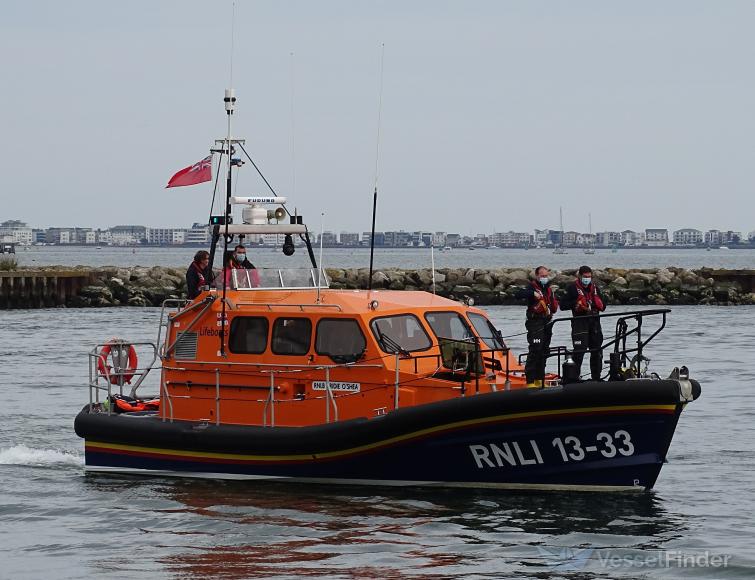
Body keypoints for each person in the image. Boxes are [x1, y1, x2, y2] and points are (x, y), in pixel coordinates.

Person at [560, 265, 606, 381]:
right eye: (585, 277)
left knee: (597, 351)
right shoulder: (572, 288)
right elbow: (563, 305)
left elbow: (603, 305)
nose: (587, 279)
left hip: (594, 323)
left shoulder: (595, 289)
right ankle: (574, 378)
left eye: (589, 277)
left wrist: (596, 304)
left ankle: (596, 377)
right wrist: (576, 303)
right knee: (579, 351)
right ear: (580, 276)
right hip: (579, 323)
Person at [515, 266, 559, 386]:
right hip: (535, 323)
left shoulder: (548, 289)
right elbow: (518, 294)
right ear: (537, 276)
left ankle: (539, 380)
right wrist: (532, 293)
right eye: (542, 276)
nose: (544, 278)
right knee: (535, 349)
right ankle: (530, 381)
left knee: (544, 351)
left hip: (547, 322)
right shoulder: (531, 287)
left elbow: (553, 305)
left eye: (546, 276)